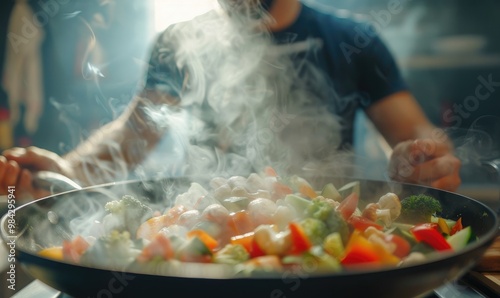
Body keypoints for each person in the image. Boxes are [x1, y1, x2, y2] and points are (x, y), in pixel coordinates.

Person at [0, 0, 461, 201]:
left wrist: (425, 159)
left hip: (328, 242)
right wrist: (64, 169)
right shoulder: (177, 43)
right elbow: (130, 139)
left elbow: (417, 137)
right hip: (210, 239)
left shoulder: (354, 40)